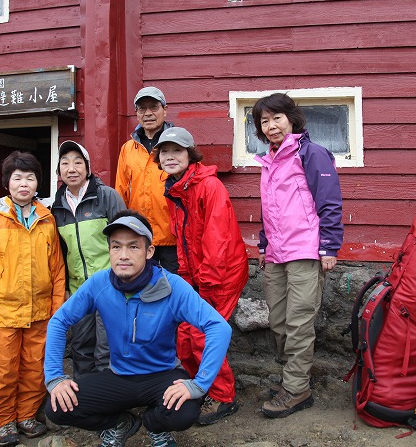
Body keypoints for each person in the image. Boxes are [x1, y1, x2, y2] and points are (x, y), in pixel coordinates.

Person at [44, 211, 232, 447]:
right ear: (109, 250)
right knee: (57, 407)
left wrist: (199, 384)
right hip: (118, 376)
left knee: (185, 410)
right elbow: (59, 321)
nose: (123, 255)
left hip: (162, 375)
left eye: (133, 247)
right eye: (116, 247)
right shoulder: (99, 284)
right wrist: (54, 377)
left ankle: (154, 425)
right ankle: (121, 423)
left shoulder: (172, 286)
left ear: (149, 251)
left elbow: (218, 327)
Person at [0, 151, 67, 446]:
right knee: (2, 369)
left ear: (38, 183)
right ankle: (3, 420)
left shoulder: (47, 220)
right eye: (17, 177)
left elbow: (57, 270)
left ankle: (26, 415)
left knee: (35, 368)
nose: (24, 183)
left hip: (40, 312)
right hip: (2, 312)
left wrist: (57, 312)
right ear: (7, 183)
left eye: (30, 178)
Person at [252, 93, 344, 418]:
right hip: (276, 253)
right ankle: (291, 377)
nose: (271, 125)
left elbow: (329, 201)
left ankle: (296, 389)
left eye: (276, 117)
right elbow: (269, 209)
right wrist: (264, 244)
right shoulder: (269, 161)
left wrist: (329, 246)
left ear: (291, 119)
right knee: (278, 321)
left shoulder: (312, 154)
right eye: (264, 121)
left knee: (299, 322)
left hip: (306, 250)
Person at [152, 127, 249, 425]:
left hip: (221, 276)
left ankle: (223, 397)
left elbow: (218, 239)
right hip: (196, 275)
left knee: (202, 336)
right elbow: (182, 238)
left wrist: (205, 283)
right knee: (184, 335)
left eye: (177, 151)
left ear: (190, 155)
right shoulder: (176, 188)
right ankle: (199, 387)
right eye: (164, 152)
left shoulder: (209, 186)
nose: (170, 157)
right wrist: (185, 276)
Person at [50, 140, 126, 377]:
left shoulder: (106, 197)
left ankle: (110, 396)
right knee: (81, 348)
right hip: (79, 290)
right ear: (59, 171)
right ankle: (85, 396)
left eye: (78, 163)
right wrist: (64, 288)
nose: (71, 169)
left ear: (88, 168)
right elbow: (59, 253)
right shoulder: (56, 208)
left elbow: (125, 240)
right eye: (65, 163)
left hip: (110, 285)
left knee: (107, 348)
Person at [115, 86, 178, 272]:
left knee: (173, 285)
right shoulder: (128, 149)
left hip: (173, 237)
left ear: (165, 110)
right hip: (140, 235)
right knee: (142, 284)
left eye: (154, 107)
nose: (148, 113)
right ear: (137, 113)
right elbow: (121, 193)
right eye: (142, 108)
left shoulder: (177, 144)